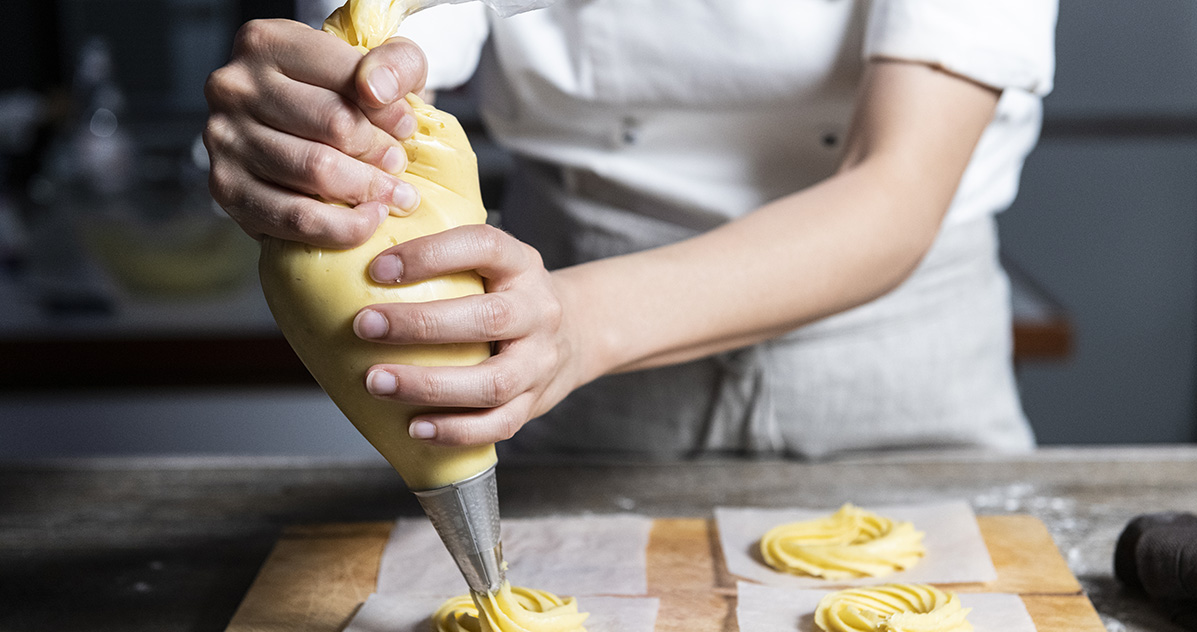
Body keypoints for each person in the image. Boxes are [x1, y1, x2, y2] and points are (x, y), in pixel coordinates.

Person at [203, 1, 1057, 460]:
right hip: (547, 341)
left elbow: (894, 191)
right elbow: (395, 23)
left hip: (896, 346)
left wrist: (579, 326)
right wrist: (326, 104)